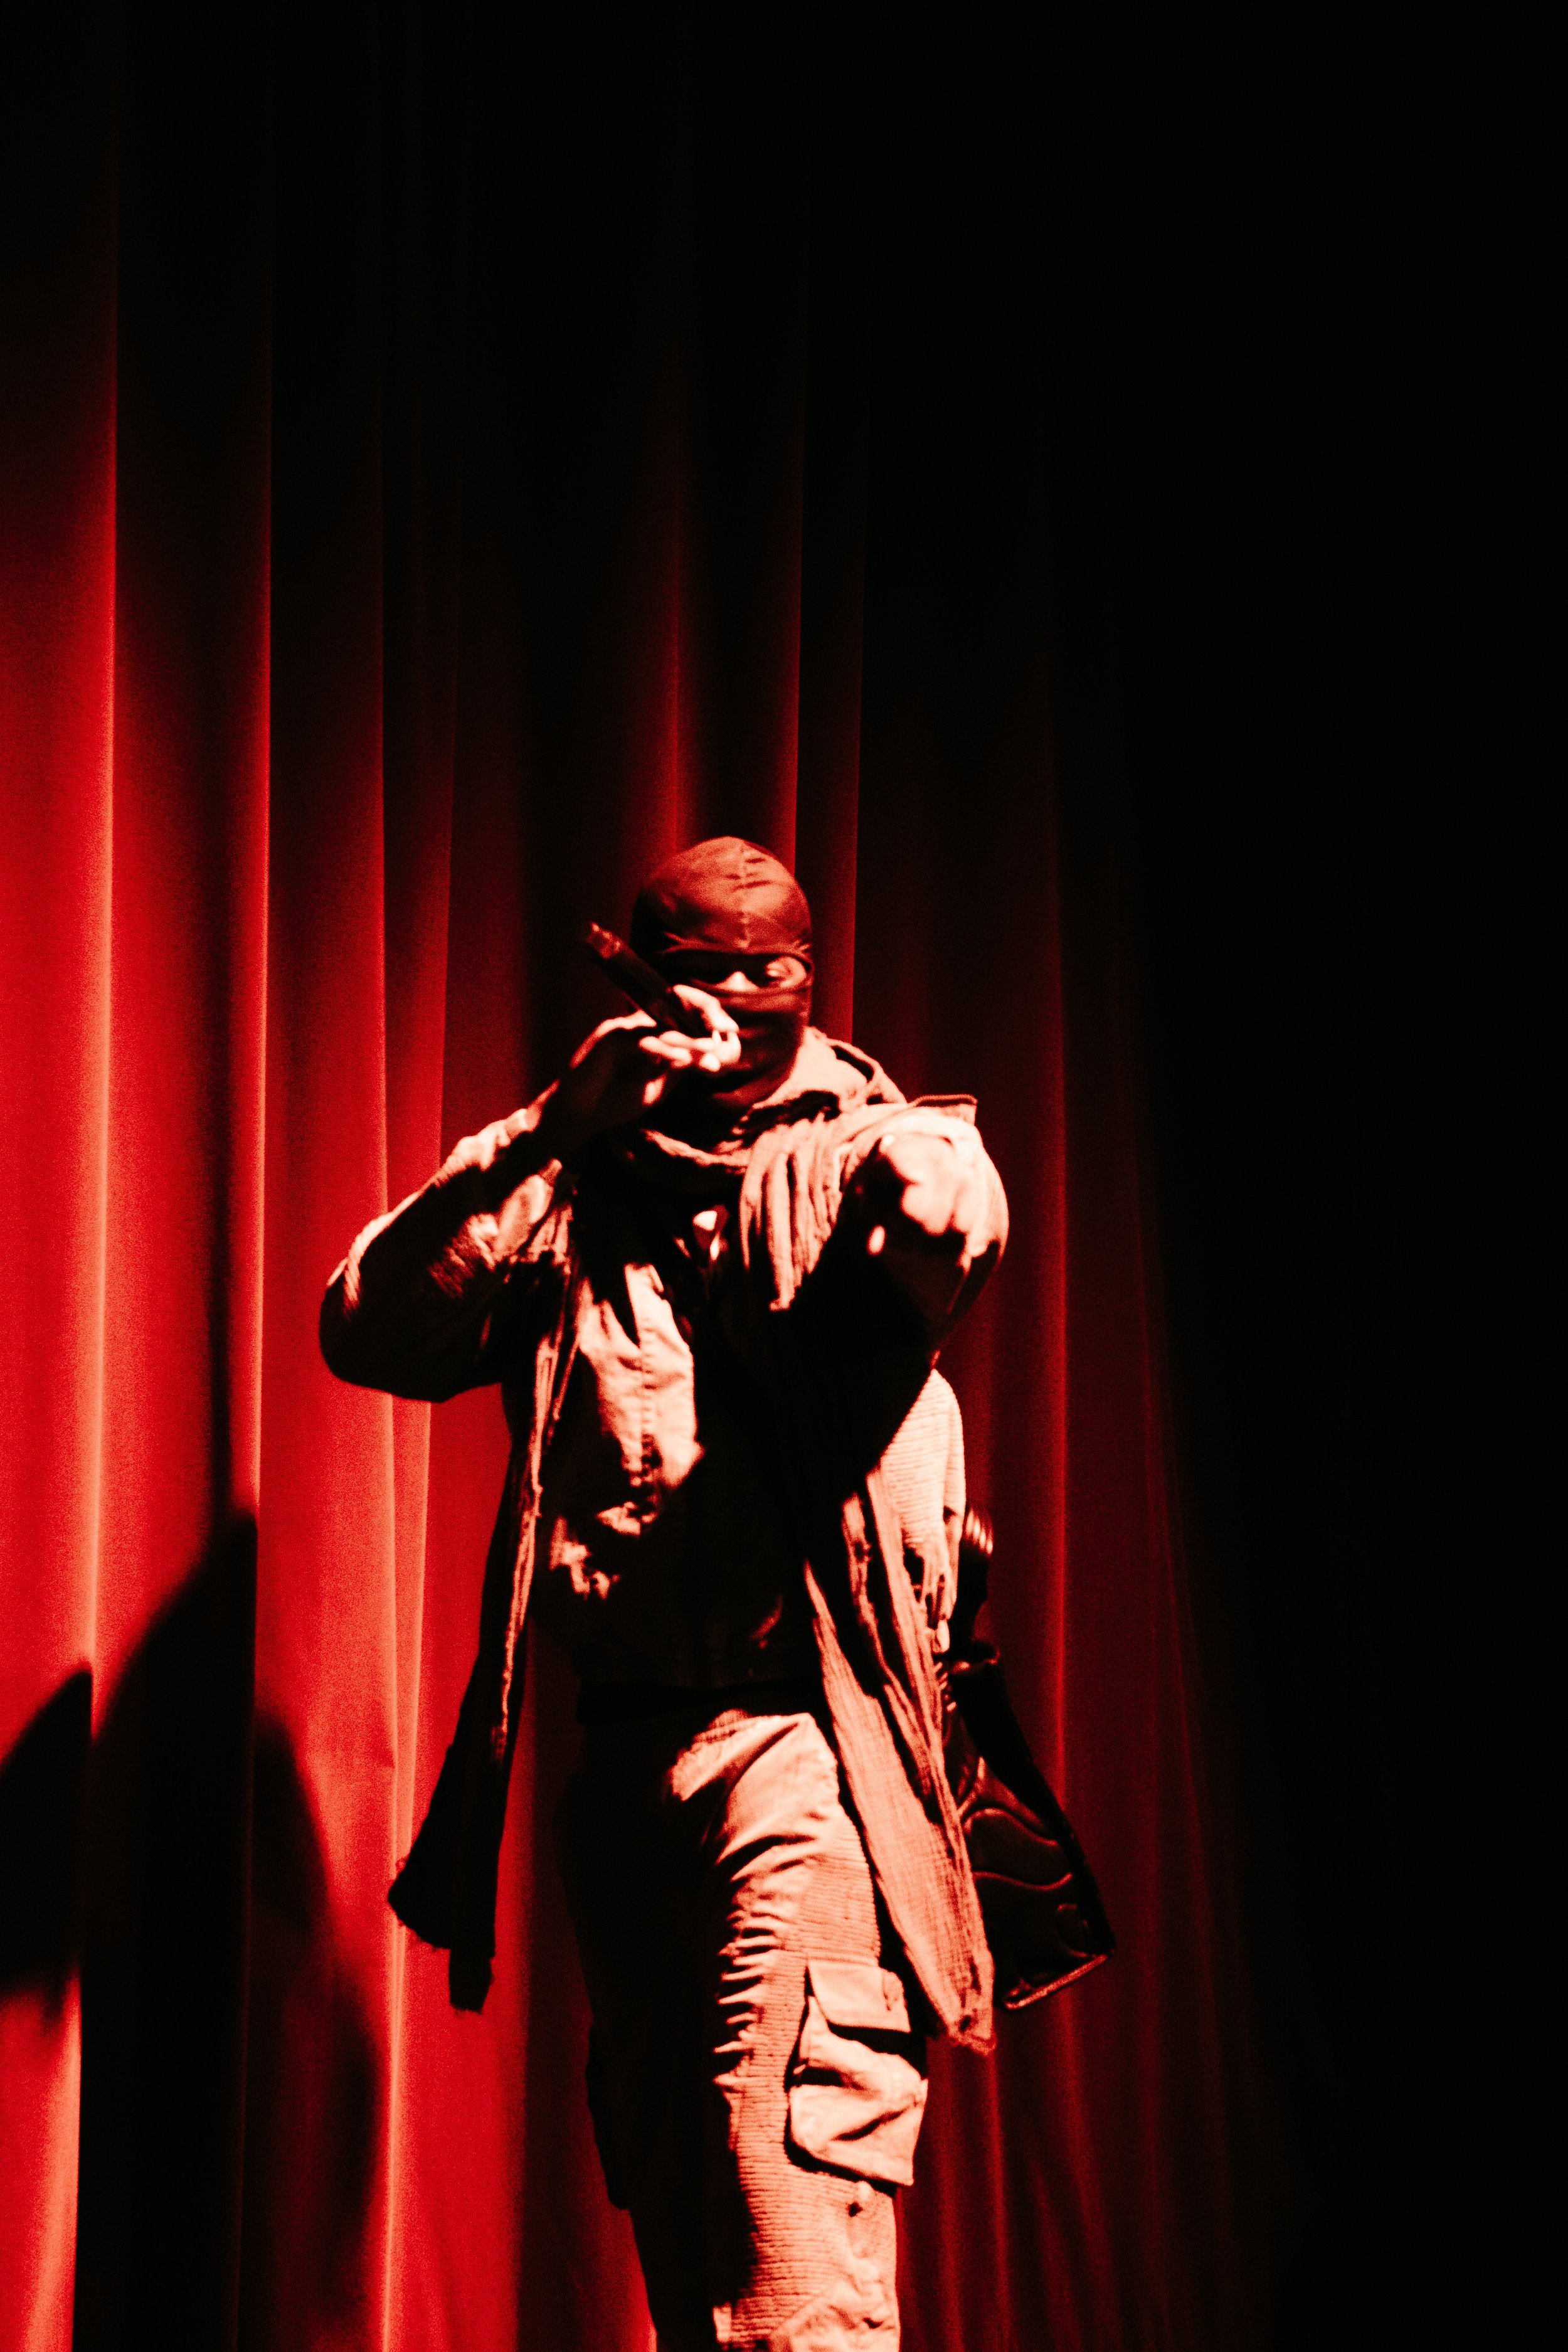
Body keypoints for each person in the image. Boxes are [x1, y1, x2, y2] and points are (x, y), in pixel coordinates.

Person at [320, 836, 1009, 2349]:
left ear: (814, 979)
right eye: (709, 967)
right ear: (640, 978)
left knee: (792, 2263)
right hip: (626, 1769)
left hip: (803, 1759)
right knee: (689, 2248)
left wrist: (897, 1169)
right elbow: (371, 1330)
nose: (747, 998)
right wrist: (548, 1134)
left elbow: (950, 1223)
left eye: (780, 968)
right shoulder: (579, 1179)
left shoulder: (867, 1141)